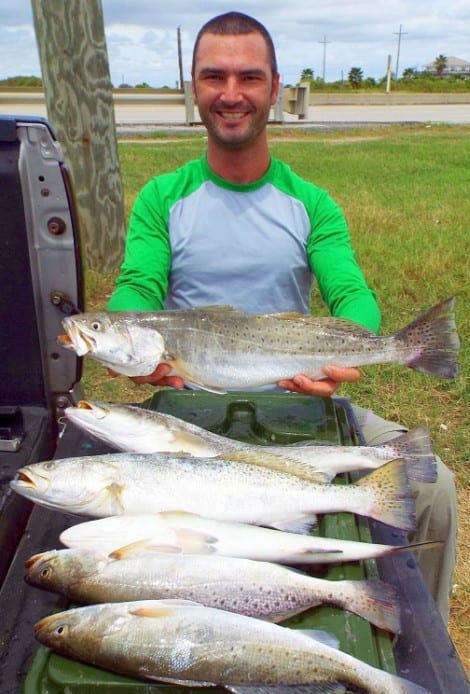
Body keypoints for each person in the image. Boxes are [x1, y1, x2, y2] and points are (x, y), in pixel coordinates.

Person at [107, 11, 457, 622]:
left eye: (250, 77)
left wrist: (350, 358)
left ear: (275, 87)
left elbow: (350, 292)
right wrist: (128, 347)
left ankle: (415, 634)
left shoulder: (310, 203)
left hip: (301, 400)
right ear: (194, 86)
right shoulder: (163, 198)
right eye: (214, 76)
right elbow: (136, 287)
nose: (232, 93)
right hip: (187, 407)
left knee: (434, 490)